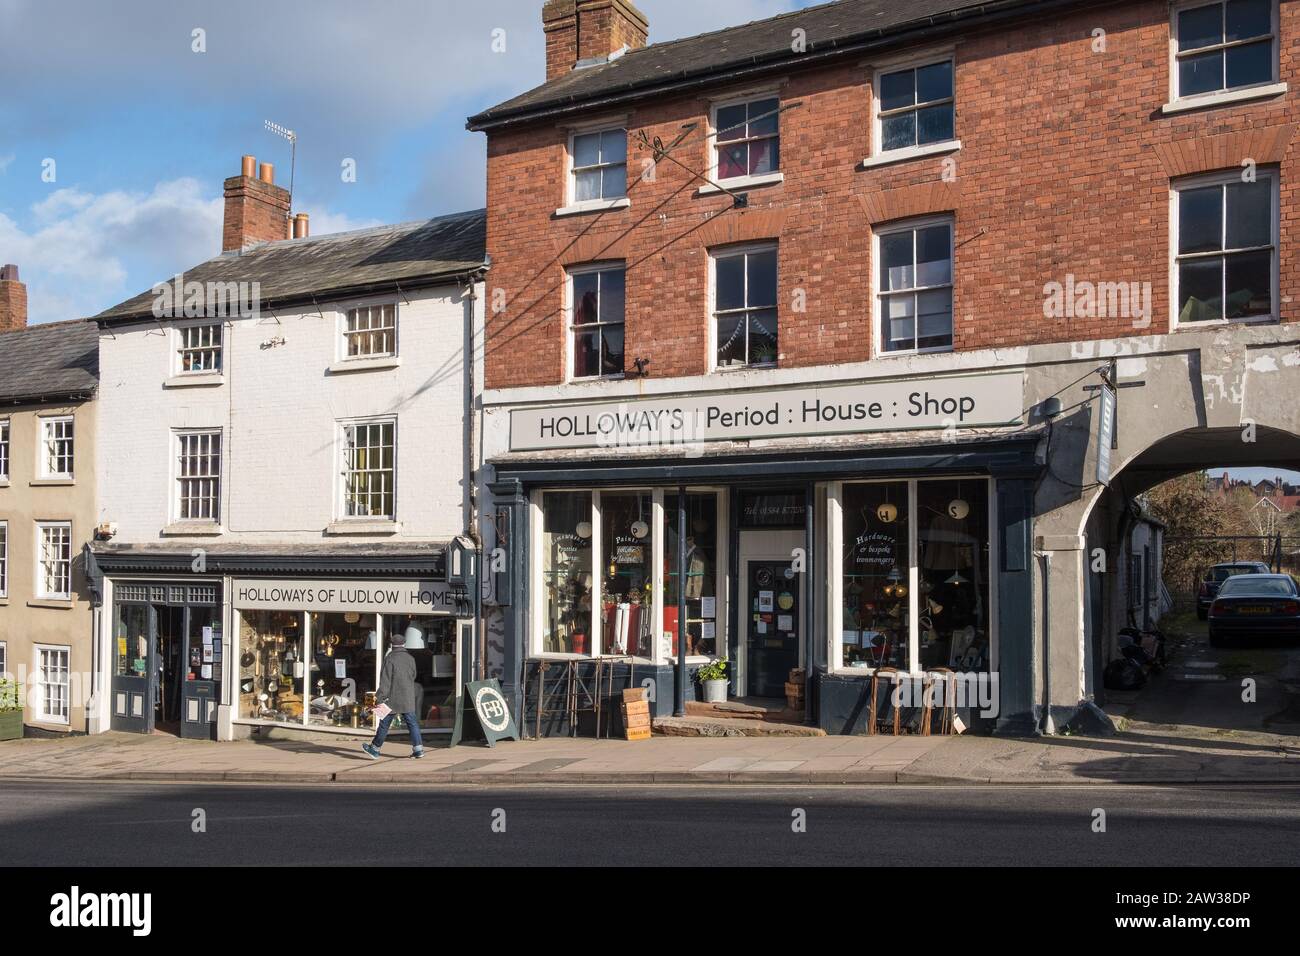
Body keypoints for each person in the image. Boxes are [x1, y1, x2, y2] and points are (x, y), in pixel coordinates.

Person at [361, 630, 423, 759]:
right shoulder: (411, 658)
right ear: (404, 644)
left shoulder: (390, 659)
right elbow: (413, 675)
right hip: (408, 697)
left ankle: (375, 748)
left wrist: (379, 698)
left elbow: (385, 681)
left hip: (391, 698)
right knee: (412, 723)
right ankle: (418, 749)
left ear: (392, 645)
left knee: (384, 724)